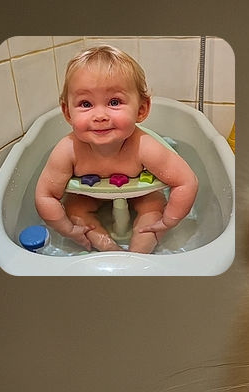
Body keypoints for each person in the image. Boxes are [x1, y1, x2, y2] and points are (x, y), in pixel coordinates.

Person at [34, 46, 198, 254]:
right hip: (88, 197)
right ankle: (109, 250)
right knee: (75, 210)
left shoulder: (145, 147)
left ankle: (138, 255)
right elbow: (45, 196)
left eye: (114, 102)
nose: (100, 115)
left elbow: (186, 181)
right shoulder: (68, 150)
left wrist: (167, 222)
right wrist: (68, 230)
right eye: (85, 104)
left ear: (141, 109)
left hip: (141, 194)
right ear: (67, 112)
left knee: (153, 208)